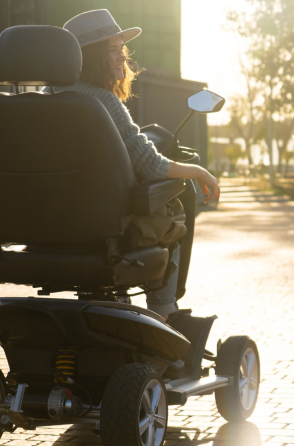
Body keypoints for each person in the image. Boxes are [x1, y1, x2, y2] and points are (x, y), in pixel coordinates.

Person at [55, 9, 220, 321]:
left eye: (123, 50)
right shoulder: (102, 102)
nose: (122, 58)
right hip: (104, 226)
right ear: (91, 57)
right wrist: (198, 171)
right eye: (113, 50)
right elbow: (151, 165)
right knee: (173, 215)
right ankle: (164, 310)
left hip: (54, 225)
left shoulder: (42, 101)